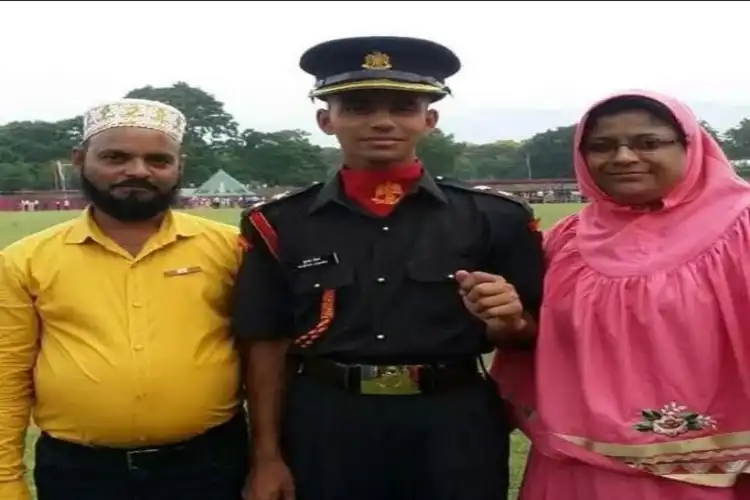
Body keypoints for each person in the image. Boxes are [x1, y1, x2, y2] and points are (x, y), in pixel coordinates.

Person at [231, 36, 545, 500]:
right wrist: (267, 457)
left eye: (403, 107)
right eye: (357, 107)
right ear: (326, 120)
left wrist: (512, 320)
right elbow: (266, 344)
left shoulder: (496, 217)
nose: (382, 121)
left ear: (429, 120)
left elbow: (536, 332)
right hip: (326, 420)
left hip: (453, 420)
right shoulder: (278, 223)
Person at [489, 90, 750, 499]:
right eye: (602, 146)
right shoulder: (565, 242)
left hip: (711, 472)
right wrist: (512, 323)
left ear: (690, 145)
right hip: (581, 467)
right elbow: (533, 341)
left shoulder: (742, 229)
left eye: (648, 143)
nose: (624, 157)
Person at [0, 98, 247, 500]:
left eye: (158, 160)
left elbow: (264, 355)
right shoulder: (25, 260)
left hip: (209, 467)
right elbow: (7, 374)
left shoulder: (229, 249)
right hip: (80, 474)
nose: (137, 171)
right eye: (116, 157)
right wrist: (6, 481)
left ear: (179, 165)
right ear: (80, 160)